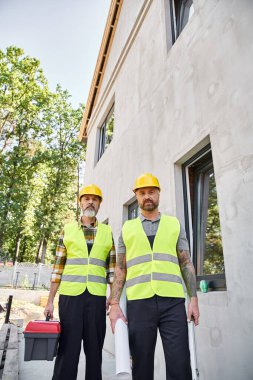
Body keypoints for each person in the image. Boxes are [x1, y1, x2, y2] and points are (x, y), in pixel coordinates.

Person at [109, 173, 200, 380]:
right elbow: (120, 268)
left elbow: (186, 262)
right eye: (142, 193)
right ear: (136, 197)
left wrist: (193, 299)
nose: (147, 196)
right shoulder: (127, 228)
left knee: (180, 363)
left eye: (151, 192)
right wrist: (114, 304)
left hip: (173, 303)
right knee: (140, 364)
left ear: (158, 194)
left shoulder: (174, 224)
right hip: (139, 303)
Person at [44, 184, 116, 380]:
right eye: (86, 198)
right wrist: (50, 301)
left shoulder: (107, 232)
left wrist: (113, 297)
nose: (90, 201)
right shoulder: (67, 230)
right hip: (70, 298)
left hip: (96, 299)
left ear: (99, 204)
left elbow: (112, 270)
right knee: (68, 349)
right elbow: (57, 268)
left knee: (94, 351)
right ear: (80, 203)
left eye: (95, 198)